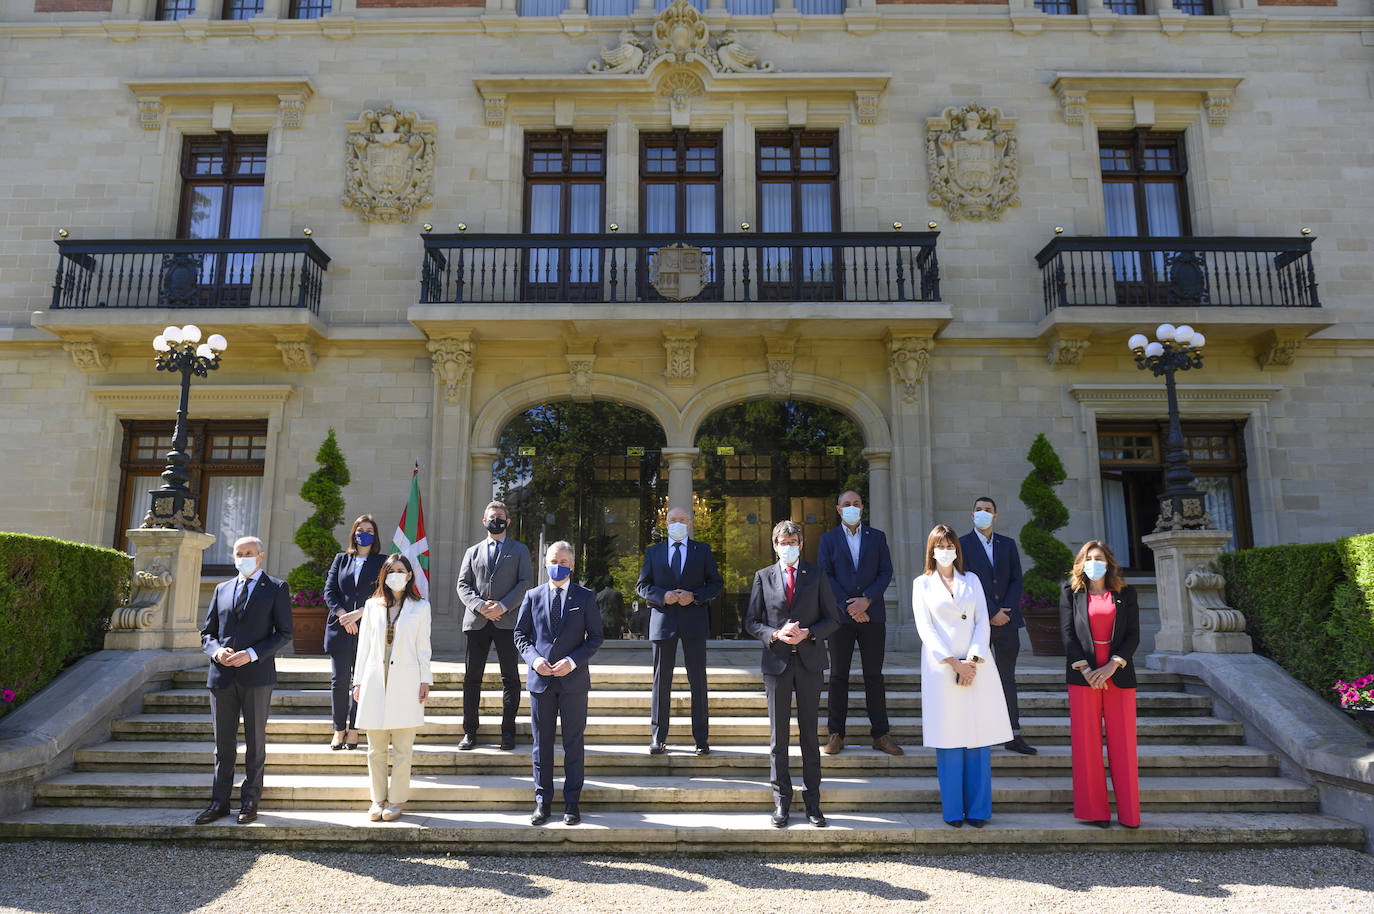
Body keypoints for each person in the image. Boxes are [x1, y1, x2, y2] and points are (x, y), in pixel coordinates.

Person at [913, 524, 1012, 828]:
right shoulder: (922, 584)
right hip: (942, 669)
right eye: (940, 545)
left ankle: (979, 810)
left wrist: (972, 659)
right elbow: (925, 628)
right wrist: (954, 664)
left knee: (979, 738)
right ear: (931, 550)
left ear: (957, 549)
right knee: (950, 739)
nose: (946, 550)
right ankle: (954, 811)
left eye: (950, 545)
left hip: (977, 666)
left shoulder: (973, 580)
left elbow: (983, 620)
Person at [744, 520, 841, 829]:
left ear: (801, 544)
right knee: (779, 738)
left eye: (794, 541)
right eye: (783, 542)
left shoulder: (818, 575)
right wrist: (775, 633)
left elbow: (833, 619)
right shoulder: (763, 576)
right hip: (777, 665)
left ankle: (812, 801)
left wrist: (809, 633)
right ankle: (782, 801)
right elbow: (751, 622)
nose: (789, 546)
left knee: (810, 737)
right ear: (775, 546)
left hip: (810, 664)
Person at [195, 536, 293, 826]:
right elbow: (207, 633)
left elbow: (284, 633)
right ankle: (219, 801)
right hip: (222, 676)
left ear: (260, 556)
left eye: (249, 553)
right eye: (239, 553)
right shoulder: (221, 589)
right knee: (223, 745)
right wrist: (216, 652)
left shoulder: (276, 588)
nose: (244, 557)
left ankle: (250, 801)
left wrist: (251, 654)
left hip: (257, 676)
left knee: (254, 741)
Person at [514, 541, 605, 826]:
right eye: (554, 560)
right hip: (541, 681)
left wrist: (573, 661)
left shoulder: (585, 596)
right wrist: (533, 660)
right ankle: (543, 802)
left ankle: (572, 803)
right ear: (545, 562)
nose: (558, 565)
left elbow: (596, 636)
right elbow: (521, 635)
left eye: (564, 561)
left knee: (573, 744)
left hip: (573, 682)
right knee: (541, 745)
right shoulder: (532, 596)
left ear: (572, 565)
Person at [1060, 540, 1141, 829]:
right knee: (1087, 745)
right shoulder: (1071, 592)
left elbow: (1133, 635)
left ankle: (1130, 814)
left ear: (1109, 562)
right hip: (1084, 677)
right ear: (1081, 563)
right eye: (1089, 558)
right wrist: (1086, 669)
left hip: (1117, 673)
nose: (1095, 562)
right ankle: (1095, 812)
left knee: (1123, 746)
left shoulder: (1126, 593)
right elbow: (1068, 635)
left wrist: (1110, 666)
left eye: (1100, 558)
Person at [635, 506, 724, 756]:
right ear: (665, 522)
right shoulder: (653, 552)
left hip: (694, 622)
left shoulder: (702, 550)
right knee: (661, 683)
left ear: (690, 523)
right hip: (663, 623)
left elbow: (716, 584)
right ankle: (658, 737)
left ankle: (701, 739)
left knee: (698, 682)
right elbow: (642, 586)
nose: (677, 523)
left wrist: (694, 596)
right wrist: (663, 596)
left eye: (681, 520)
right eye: (672, 519)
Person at [817, 490, 900, 757]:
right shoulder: (828, 540)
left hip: (872, 616)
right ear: (838, 509)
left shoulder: (877, 537)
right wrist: (849, 606)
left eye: (855, 504)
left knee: (874, 676)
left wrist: (866, 600)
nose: (851, 508)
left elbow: (886, 572)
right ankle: (836, 735)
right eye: (846, 504)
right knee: (838, 676)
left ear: (862, 508)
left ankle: (881, 734)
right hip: (841, 618)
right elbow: (826, 575)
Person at [352, 554, 432, 822]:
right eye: (391, 570)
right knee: (375, 748)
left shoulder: (420, 607)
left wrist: (425, 679)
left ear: (409, 575)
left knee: (402, 748)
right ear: (384, 575)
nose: (397, 574)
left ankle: (396, 801)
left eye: (401, 570)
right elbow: (363, 646)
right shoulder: (372, 606)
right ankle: (377, 799)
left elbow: (424, 646)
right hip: (375, 679)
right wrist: (358, 680)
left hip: (406, 681)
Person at [958, 496, 1035, 755]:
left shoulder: (1008, 544)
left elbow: (1016, 580)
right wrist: (991, 612)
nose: (983, 513)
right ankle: (976, 732)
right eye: (978, 510)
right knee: (974, 676)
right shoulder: (962, 545)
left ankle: (1012, 734)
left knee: (1006, 678)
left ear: (995, 516)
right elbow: (965, 581)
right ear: (972, 515)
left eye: (988, 510)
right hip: (978, 622)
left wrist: (1006, 612)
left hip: (1007, 622)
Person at [456, 500, 533, 751]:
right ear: (484, 521)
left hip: (507, 621)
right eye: (492, 516)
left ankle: (507, 733)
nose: (496, 520)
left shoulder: (520, 550)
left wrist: (502, 606)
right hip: (477, 622)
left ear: (508, 521)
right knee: (472, 679)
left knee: (510, 678)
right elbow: (463, 585)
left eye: (500, 516)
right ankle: (470, 731)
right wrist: (481, 606)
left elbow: (524, 583)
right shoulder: (472, 551)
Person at [323, 514, 385, 751]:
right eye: (360, 530)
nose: (364, 533)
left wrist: (359, 614)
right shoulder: (341, 559)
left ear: (374, 534)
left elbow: (383, 592)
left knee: (362, 682)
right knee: (339, 681)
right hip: (340, 628)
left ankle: (355, 729)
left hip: (367, 628)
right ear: (354, 533)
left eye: (369, 529)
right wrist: (343, 615)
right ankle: (339, 730)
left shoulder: (382, 561)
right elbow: (330, 591)